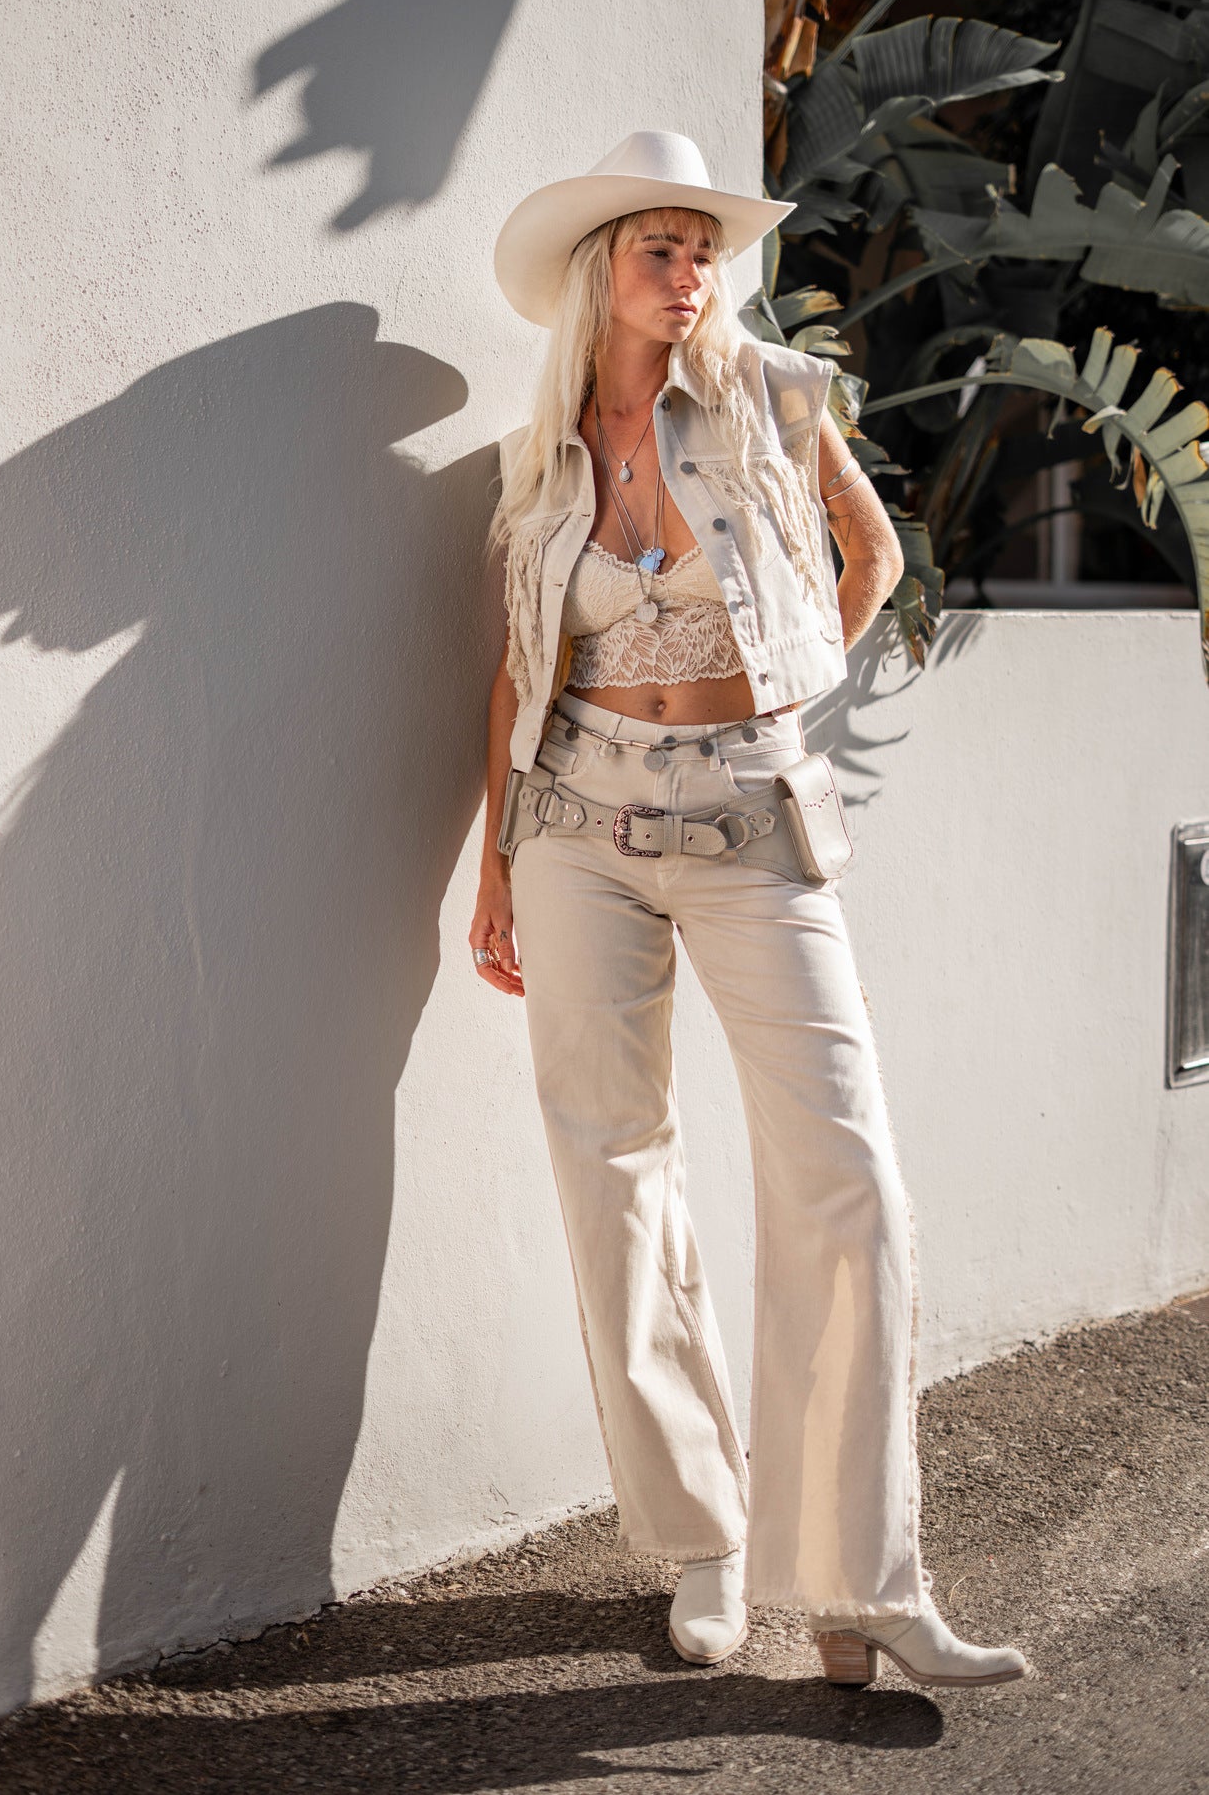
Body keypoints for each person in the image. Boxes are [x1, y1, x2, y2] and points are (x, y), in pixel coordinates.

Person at [471, 131, 1028, 1692]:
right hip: (576, 829)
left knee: (847, 1172)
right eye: (660, 245)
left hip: (750, 820)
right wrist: (497, 860)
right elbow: (517, 669)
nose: (692, 270)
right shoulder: (540, 456)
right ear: (603, 271)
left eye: (704, 246)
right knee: (614, 1176)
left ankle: (862, 1582)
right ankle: (702, 1536)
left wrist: (785, 699)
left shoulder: (779, 396)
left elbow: (874, 552)